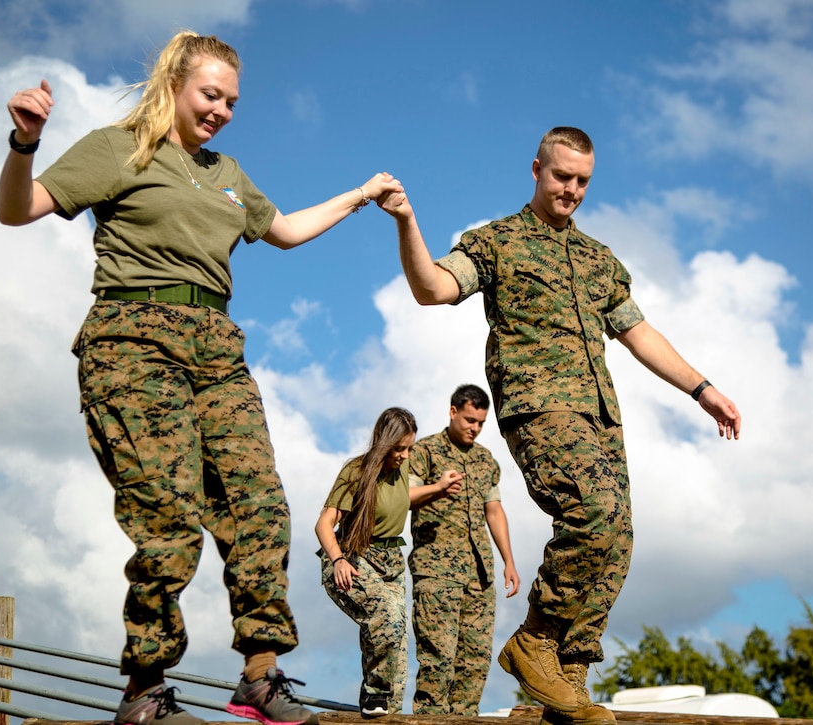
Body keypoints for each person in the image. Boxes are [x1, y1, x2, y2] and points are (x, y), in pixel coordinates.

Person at [0, 30, 404, 725]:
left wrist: (362, 194)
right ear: (176, 86)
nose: (221, 110)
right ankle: (145, 686)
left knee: (261, 505)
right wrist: (24, 143)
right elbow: (17, 209)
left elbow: (286, 229)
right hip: (132, 341)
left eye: (232, 101)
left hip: (216, 345)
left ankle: (259, 673)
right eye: (210, 95)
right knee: (169, 515)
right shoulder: (119, 148)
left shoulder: (226, 174)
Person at [380, 126, 741, 725]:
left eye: (582, 181)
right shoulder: (498, 242)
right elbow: (433, 288)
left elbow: (638, 333)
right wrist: (406, 222)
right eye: (561, 176)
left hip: (599, 413)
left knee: (618, 537)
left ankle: (569, 674)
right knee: (593, 511)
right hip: (539, 407)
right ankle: (535, 640)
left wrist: (702, 389)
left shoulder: (599, 259)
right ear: (536, 170)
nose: (571, 189)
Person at [314, 407, 462, 718]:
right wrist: (338, 560)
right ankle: (373, 693)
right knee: (389, 618)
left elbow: (403, 498)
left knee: (397, 647)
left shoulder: (400, 471)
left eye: (409, 448)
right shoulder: (356, 471)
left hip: (391, 564)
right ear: (384, 443)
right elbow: (324, 523)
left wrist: (438, 488)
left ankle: (386, 711)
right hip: (352, 558)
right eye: (399, 448)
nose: (405, 455)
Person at [408, 383, 521, 715]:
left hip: (479, 574)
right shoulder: (424, 451)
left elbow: (494, 510)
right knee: (438, 658)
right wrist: (439, 488)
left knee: (474, 662)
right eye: (469, 419)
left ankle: (464, 721)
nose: (474, 428)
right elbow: (405, 499)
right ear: (453, 411)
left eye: (481, 423)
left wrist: (509, 562)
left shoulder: (486, 460)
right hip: (436, 571)